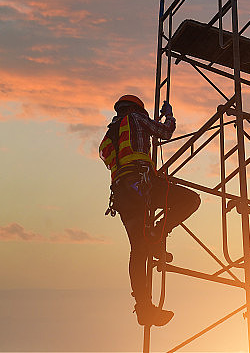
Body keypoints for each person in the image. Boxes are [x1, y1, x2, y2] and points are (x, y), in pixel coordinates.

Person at [98, 94, 201, 327]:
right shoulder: (136, 118)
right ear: (137, 108)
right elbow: (165, 132)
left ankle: (143, 307)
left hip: (122, 194)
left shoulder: (109, 136)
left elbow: (110, 158)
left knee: (138, 249)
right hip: (143, 185)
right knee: (190, 200)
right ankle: (157, 234)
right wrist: (169, 116)